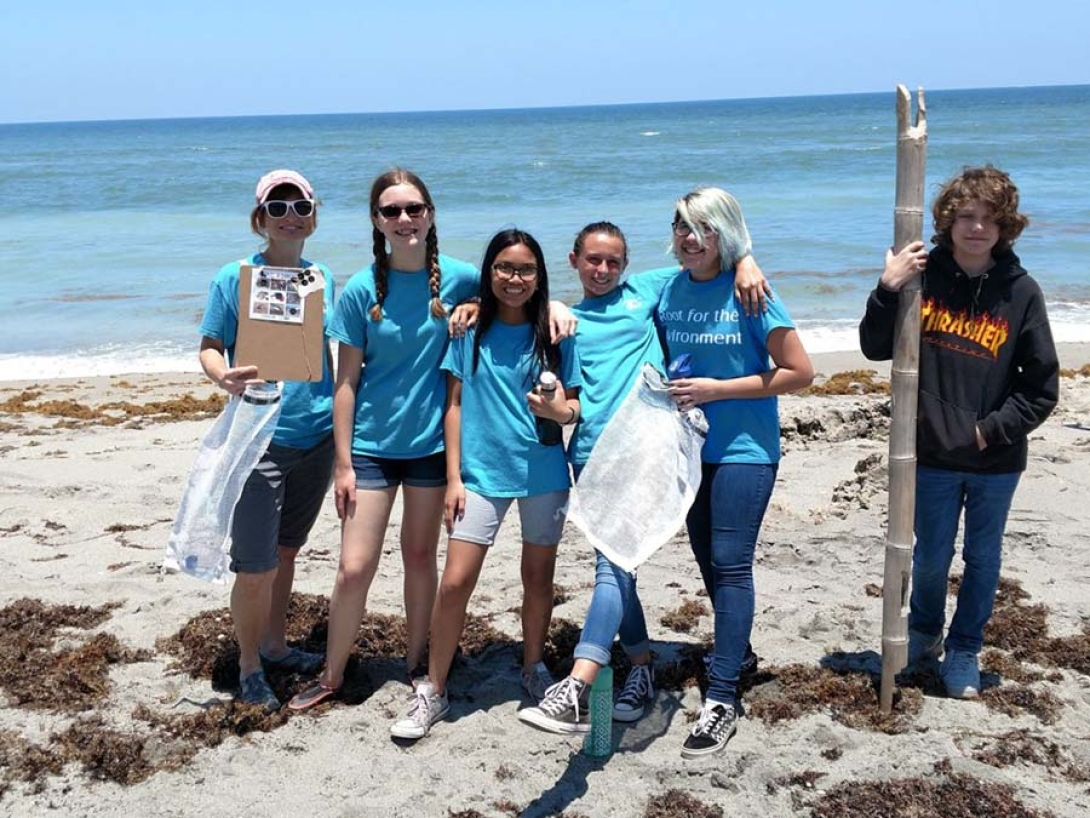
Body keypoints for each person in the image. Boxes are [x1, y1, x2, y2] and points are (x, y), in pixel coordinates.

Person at [519, 222, 770, 735]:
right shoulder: (567, 324)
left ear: (627, 264)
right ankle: (639, 667)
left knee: (614, 564)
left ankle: (580, 681)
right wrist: (550, 309)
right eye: (593, 260)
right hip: (591, 454)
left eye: (614, 261)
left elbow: (704, 264)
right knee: (618, 567)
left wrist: (746, 259)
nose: (603, 270)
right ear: (573, 260)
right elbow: (571, 400)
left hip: (648, 448)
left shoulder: (647, 291)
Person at [860, 166, 1058, 699]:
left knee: (983, 558)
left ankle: (965, 649)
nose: (976, 228)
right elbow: (875, 348)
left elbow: (1042, 389)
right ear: (947, 221)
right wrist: (888, 286)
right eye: (966, 217)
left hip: (994, 460)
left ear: (1006, 228)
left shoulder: (1021, 293)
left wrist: (988, 431)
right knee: (928, 555)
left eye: (989, 220)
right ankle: (924, 631)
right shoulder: (924, 277)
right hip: (930, 455)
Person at [288, 168, 479, 710]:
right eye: (391, 211)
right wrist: (343, 464)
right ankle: (332, 673)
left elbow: (521, 295)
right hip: (370, 449)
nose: (404, 220)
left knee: (419, 556)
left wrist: (486, 306)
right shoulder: (360, 288)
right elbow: (345, 383)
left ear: (431, 214)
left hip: (431, 450)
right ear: (376, 220)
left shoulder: (462, 278)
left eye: (413, 209)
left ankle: (418, 662)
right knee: (353, 568)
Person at [390, 228, 582, 740]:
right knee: (454, 583)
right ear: (488, 272)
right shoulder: (468, 330)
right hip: (478, 476)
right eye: (504, 268)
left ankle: (533, 665)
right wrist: (453, 478)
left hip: (542, 474)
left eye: (524, 270)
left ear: (539, 276)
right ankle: (433, 686)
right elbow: (452, 405)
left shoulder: (558, 334)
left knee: (538, 580)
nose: (514, 278)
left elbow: (575, 407)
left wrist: (559, 410)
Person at [657, 187, 813, 757]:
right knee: (707, 560)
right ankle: (737, 652)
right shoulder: (668, 287)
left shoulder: (753, 293)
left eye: (703, 228)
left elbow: (800, 372)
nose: (689, 238)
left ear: (726, 232)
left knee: (730, 563)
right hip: (689, 449)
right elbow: (606, 292)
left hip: (746, 448)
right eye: (680, 226)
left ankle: (722, 696)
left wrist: (719, 390)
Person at [198, 169, 336, 711]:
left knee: (286, 551)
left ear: (313, 214)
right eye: (277, 207)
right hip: (258, 436)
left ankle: (276, 645)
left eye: (299, 204)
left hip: (317, 435)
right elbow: (210, 345)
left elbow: (335, 347)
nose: (290, 215)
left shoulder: (319, 275)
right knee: (254, 565)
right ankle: (249, 664)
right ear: (261, 219)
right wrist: (221, 375)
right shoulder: (234, 277)